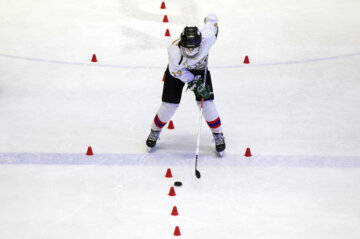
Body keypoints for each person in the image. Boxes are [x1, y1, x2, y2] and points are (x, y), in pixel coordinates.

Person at [146, 14, 225, 153]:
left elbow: (212, 20)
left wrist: (210, 20)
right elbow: (178, 72)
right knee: (169, 105)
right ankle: (155, 130)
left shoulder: (209, 38)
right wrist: (194, 83)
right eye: (187, 48)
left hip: (200, 70)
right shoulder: (174, 54)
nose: (190, 51)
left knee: (207, 103)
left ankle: (218, 134)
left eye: (193, 48)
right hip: (178, 74)